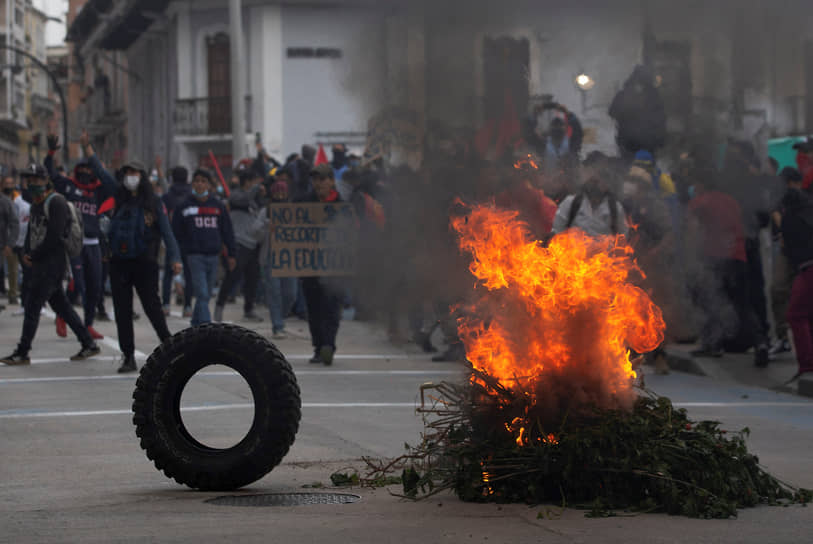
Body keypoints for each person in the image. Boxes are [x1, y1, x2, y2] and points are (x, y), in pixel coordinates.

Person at [81, 132, 182, 373]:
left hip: (145, 262)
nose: (130, 177)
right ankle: (128, 357)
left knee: (152, 308)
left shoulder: (154, 202)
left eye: (134, 173)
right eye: (127, 173)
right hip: (119, 263)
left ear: (142, 176)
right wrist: (87, 147)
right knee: (123, 312)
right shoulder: (119, 196)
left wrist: (175, 258)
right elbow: (102, 174)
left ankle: (171, 349)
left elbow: (167, 233)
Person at [1, 164, 100, 365]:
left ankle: (22, 351)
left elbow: (54, 236)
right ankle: (88, 343)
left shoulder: (57, 202)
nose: (32, 184)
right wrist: (28, 253)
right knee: (62, 307)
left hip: (52, 265)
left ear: (45, 180)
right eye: (29, 180)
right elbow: (32, 231)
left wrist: (35, 255)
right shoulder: (38, 203)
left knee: (32, 306)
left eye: (36, 180)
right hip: (41, 263)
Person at [686, 166, 769, 366]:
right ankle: (760, 343)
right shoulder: (732, 201)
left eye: (695, 183)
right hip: (738, 257)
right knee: (743, 304)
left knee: (708, 300)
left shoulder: (699, 202)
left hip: (714, 259)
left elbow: (692, 230)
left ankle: (712, 344)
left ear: (701, 184)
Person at [44, 132, 116, 340]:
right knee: (78, 284)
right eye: (81, 168)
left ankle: (89, 323)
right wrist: (50, 153)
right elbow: (49, 173)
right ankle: (62, 315)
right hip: (74, 244)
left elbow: (110, 181)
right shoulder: (69, 186)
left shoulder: (99, 191)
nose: (85, 172)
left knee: (95, 286)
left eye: (88, 169)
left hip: (94, 244)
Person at [172, 168, 236, 326]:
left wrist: (232, 253)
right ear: (192, 184)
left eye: (203, 181)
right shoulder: (184, 206)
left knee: (206, 295)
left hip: (213, 256)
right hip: (194, 256)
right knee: (202, 293)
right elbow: (175, 233)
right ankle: (206, 326)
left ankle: (196, 324)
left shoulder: (218, 206)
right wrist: (176, 257)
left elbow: (227, 230)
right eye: (197, 181)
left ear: (209, 185)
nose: (200, 184)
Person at [296, 163, 343, 365]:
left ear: (332, 181)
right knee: (314, 309)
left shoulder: (344, 206)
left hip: (336, 267)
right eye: (315, 179)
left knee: (332, 308)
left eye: (323, 179)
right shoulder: (303, 203)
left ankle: (328, 345)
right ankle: (318, 346)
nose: (318, 183)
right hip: (311, 267)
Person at [214, 162, 267, 323]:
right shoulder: (236, 195)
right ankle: (219, 307)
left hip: (254, 243)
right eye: (254, 182)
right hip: (239, 242)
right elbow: (244, 199)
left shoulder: (256, 200)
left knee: (253, 277)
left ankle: (249, 309)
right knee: (233, 276)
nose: (257, 185)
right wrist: (256, 189)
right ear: (247, 182)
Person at [777, 170, 813, 382]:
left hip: (808, 269)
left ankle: (807, 365)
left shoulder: (790, 218)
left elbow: (789, 250)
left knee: (796, 315)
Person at [260, 178, 297, 338]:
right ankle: (277, 325)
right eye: (278, 192)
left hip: (289, 259)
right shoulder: (265, 211)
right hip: (270, 258)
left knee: (290, 294)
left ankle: (281, 316)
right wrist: (268, 226)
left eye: (283, 192)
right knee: (274, 292)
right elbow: (254, 232)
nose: (280, 195)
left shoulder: (294, 211)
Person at [551, 164, 629, 238]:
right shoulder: (571, 202)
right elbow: (557, 229)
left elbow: (623, 236)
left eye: (599, 181)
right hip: (572, 251)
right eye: (593, 181)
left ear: (607, 184)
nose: (595, 185)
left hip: (604, 252)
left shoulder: (615, 208)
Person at [608, 65, 666, 158]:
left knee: (628, 166)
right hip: (644, 141)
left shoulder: (625, 93)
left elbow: (612, 112)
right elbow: (660, 118)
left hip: (629, 140)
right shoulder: (654, 96)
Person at [161, 166, 193, 316]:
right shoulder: (192, 196)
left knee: (168, 273)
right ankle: (187, 307)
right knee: (189, 273)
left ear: (173, 178)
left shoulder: (167, 197)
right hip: (189, 240)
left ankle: (166, 305)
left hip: (172, 239)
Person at [5, 175, 30, 310]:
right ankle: (13, 294)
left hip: (25, 243)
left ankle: (22, 297)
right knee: (12, 270)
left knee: (24, 272)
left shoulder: (25, 200)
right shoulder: (16, 201)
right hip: (12, 241)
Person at [0, 176, 19, 307]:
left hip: (3, 244)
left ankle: (13, 294)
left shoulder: (5, 202)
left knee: (12, 270)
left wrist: (10, 244)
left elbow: (14, 223)